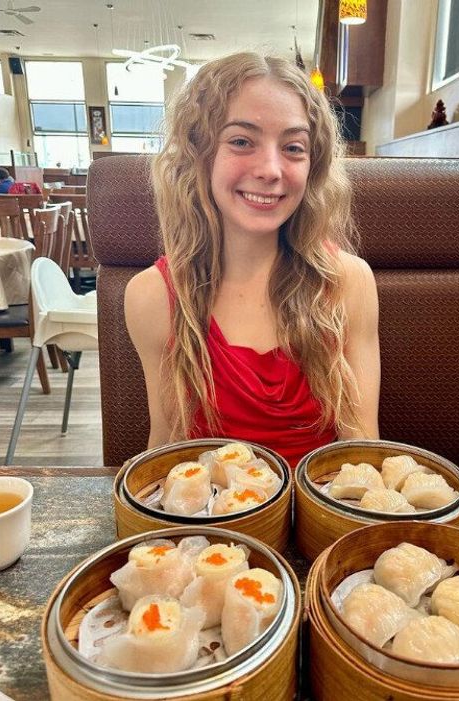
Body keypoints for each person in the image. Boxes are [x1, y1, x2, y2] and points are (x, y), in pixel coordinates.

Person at [125, 53, 380, 466]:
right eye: (242, 141)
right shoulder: (152, 295)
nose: (270, 169)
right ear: (198, 154)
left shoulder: (348, 282)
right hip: (210, 525)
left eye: (293, 147)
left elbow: (362, 451)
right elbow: (167, 450)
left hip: (320, 517)